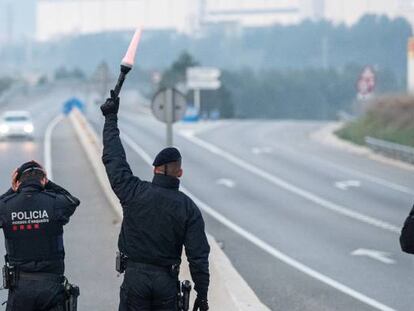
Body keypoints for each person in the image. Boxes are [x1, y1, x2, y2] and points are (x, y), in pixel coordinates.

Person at [101, 91, 210, 311]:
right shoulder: (188, 208)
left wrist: (110, 120)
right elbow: (197, 256)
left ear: (155, 170)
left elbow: (114, 159)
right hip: (166, 283)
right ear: (179, 173)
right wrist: (202, 294)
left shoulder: (134, 191)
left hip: (135, 279)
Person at [0, 161, 80, 311]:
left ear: (18, 182)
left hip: (20, 288)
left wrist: (12, 191)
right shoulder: (55, 203)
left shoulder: (6, 206)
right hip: (51, 287)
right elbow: (72, 200)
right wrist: (48, 184)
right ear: (43, 180)